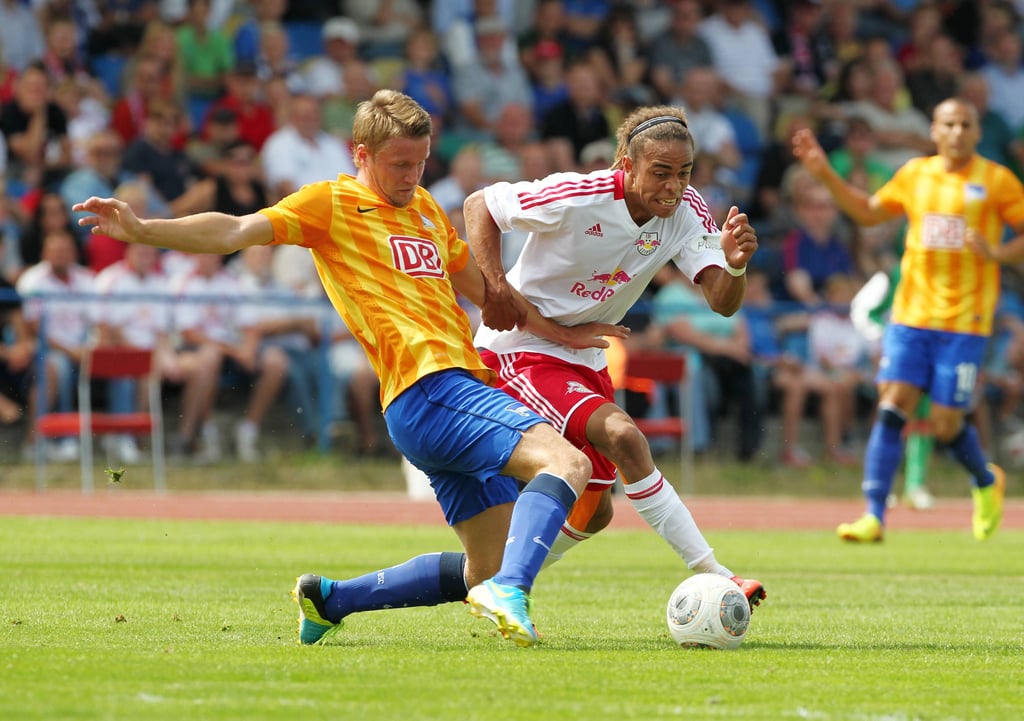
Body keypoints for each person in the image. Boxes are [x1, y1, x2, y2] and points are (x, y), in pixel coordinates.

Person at [74, 89, 621, 648]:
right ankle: (513, 591)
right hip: (430, 384)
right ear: (361, 153)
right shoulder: (330, 204)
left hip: (435, 402)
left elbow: (488, 293)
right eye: (399, 164)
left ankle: (331, 599)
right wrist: (144, 229)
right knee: (566, 463)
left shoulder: (427, 210)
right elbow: (236, 230)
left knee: (482, 568)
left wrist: (559, 332)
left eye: (421, 163)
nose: (412, 176)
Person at [463, 105, 766, 605]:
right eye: (661, 173)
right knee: (625, 436)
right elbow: (481, 205)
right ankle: (717, 573)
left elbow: (721, 301)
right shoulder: (579, 196)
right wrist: (497, 289)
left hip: (586, 354)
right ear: (626, 162)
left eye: (684, 172)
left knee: (595, 511)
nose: (673, 186)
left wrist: (734, 267)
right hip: (521, 347)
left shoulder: (687, 209)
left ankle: (493, 582)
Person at [792, 97, 1019, 542]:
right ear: (934, 131)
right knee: (892, 405)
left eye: (965, 124)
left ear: (976, 132)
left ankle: (986, 481)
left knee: (945, 425)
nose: (956, 132)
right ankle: (873, 514)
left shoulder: (997, 180)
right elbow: (868, 212)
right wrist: (825, 174)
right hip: (911, 315)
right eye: (948, 123)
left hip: (965, 322)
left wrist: (999, 252)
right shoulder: (916, 174)